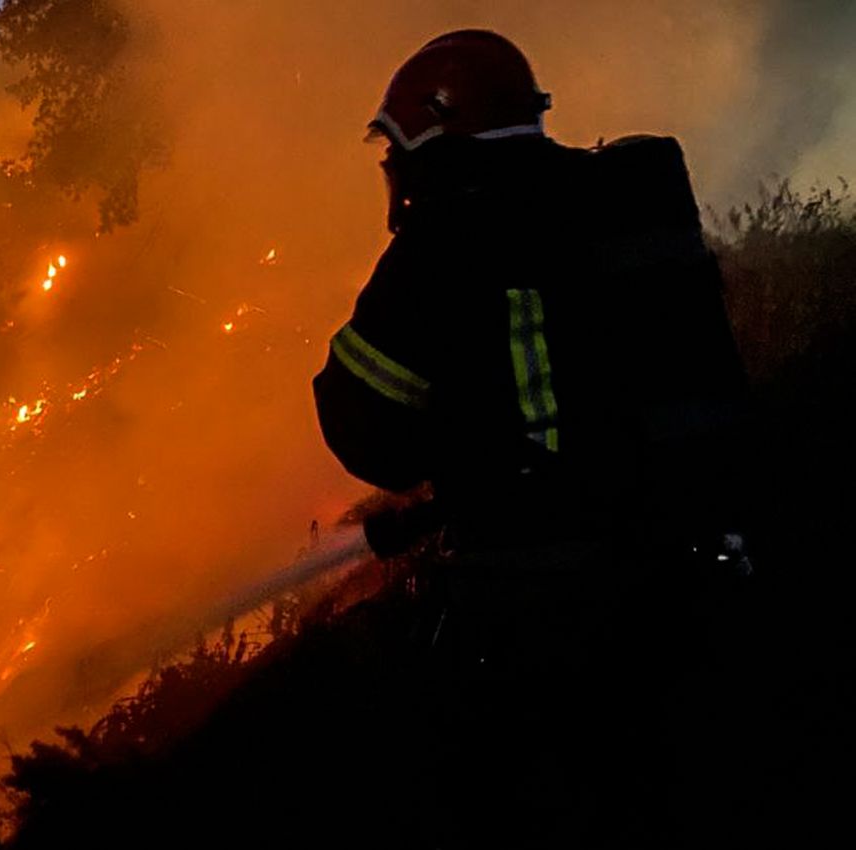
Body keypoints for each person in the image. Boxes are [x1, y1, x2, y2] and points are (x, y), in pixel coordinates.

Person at [313, 29, 750, 560]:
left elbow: (366, 433)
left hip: (551, 575)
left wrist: (459, 446)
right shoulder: (618, 199)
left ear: (433, 140)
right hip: (692, 540)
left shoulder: (446, 243)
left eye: (396, 149)